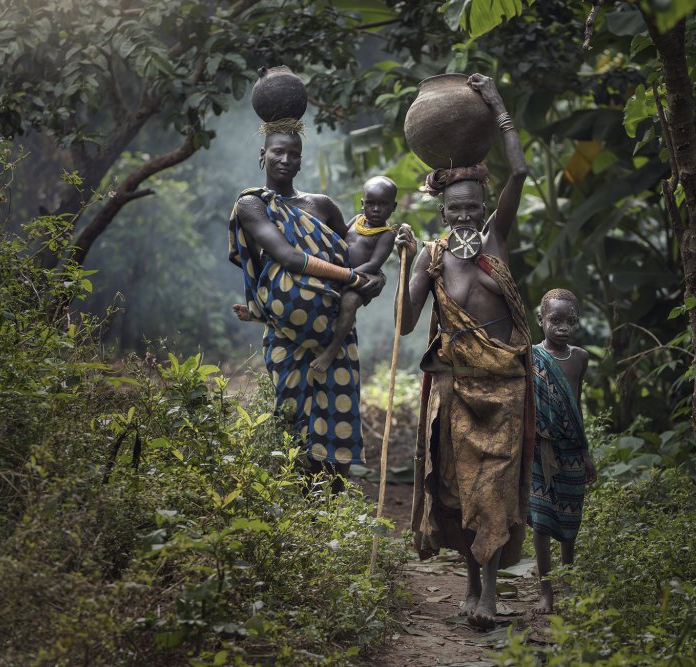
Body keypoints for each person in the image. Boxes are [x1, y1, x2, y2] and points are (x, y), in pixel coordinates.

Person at [394, 73, 532, 630]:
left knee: (495, 493)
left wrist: (498, 103)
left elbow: (519, 170)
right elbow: (406, 324)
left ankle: (490, 596)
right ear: (442, 212)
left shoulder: (497, 236)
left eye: (473, 207)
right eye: (456, 210)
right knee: (456, 494)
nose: (467, 216)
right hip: (455, 393)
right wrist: (401, 263)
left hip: (504, 390)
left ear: (484, 205)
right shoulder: (431, 258)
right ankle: (470, 590)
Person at [227, 120, 385, 490]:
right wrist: (353, 279)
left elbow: (353, 253)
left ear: (301, 161)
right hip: (286, 336)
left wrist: (379, 267)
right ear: (262, 156)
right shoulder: (252, 205)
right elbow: (289, 258)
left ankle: (331, 508)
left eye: (293, 154)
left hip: (336, 334)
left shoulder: (323, 206)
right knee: (292, 417)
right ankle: (297, 506)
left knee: (339, 415)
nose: (285, 159)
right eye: (277, 152)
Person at [237, 175, 399, 372]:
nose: (375, 209)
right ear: (362, 203)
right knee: (299, 288)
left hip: (358, 280)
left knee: (348, 303)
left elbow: (374, 264)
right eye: (371, 204)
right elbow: (336, 238)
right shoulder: (358, 220)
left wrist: (347, 276)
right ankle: (262, 312)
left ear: (394, 207)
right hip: (340, 271)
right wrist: (332, 267)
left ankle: (331, 350)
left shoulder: (387, 234)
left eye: (382, 205)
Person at [529, 288, 596, 614]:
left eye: (570, 321)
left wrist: (585, 452)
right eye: (555, 320)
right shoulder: (529, 356)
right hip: (540, 450)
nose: (562, 327)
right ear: (540, 319)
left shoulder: (580, 358)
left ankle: (568, 582)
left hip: (571, 449)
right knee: (541, 522)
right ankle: (546, 592)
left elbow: (576, 405)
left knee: (571, 521)